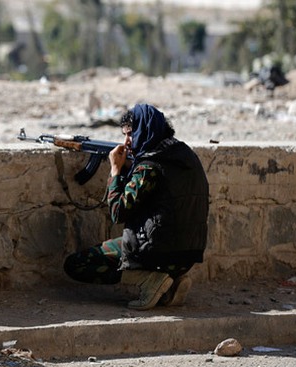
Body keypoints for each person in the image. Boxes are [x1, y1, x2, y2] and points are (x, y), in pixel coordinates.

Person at [64, 103, 209, 310]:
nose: (127, 142)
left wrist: (115, 171)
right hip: (187, 256)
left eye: (131, 134)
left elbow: (117, 212)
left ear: (145, 130)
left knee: (76, 264)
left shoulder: (149, 166)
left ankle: (148, 279)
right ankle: (172, 281)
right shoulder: (187, 155)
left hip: (158, 254)